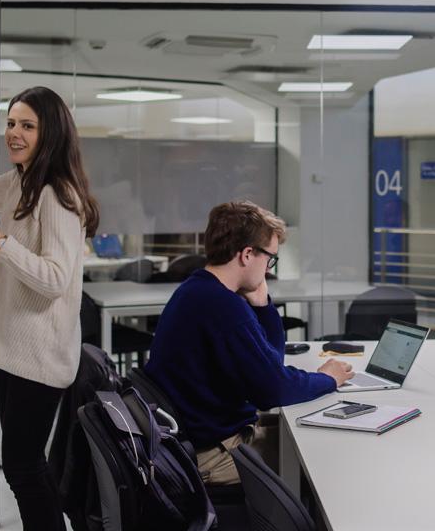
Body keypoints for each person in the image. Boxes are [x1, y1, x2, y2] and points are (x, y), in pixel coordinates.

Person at [0, 86, 100, 529]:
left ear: (50, 133)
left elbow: (55, 279)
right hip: (12, 349)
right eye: (11, 123)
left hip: (40, 356)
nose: (14, 133)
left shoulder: (58, 194)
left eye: (27, 125)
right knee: (23, 466)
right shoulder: (21, 181)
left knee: (24, 467)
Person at [145, 201, 354, 485]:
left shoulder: (197, 289)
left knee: (303, 432)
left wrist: (262, 305)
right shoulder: (224, 307)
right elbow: (273, 390)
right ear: (247, 255)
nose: (269, 269)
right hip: (212, 455)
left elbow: (270, 366)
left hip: (193, 441)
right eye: (270, 259)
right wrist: (327, 379)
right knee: (325, 456)